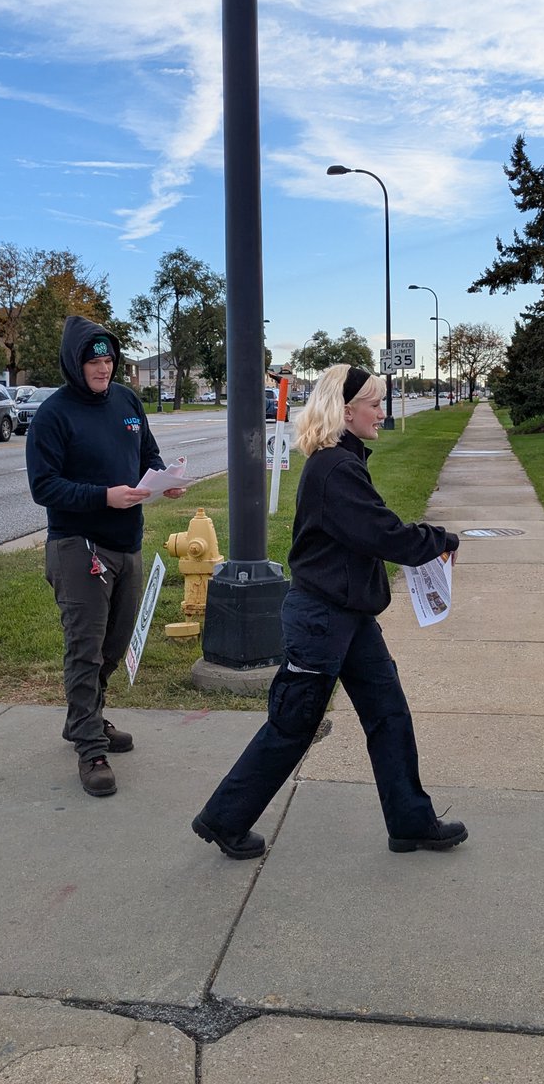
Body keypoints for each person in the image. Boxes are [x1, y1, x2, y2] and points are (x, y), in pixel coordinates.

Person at [192, 364, 467, 859]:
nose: (382, 413)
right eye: (376, 404)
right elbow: (383, 534)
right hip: (321, 621)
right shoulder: (335, 469)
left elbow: (368, 535)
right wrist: (438, 540)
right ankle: (224, 819)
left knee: (388, 714)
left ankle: (411, 822)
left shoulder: (343, 462)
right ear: (346, 410)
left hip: (352, 618)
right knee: (293, 723)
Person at [26, 316, 184, 798]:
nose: (103, 368)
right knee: (85, 647)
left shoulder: (127, 401)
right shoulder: (54, 415)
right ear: (75, 364)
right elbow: (44, 486)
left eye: (109, 359)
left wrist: (164, 478)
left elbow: (146, 455)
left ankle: (86, 717)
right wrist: (102, 497)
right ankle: (90, 748)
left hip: (127, 542)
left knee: (115, 645)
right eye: (93, 361)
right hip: (79, 546)